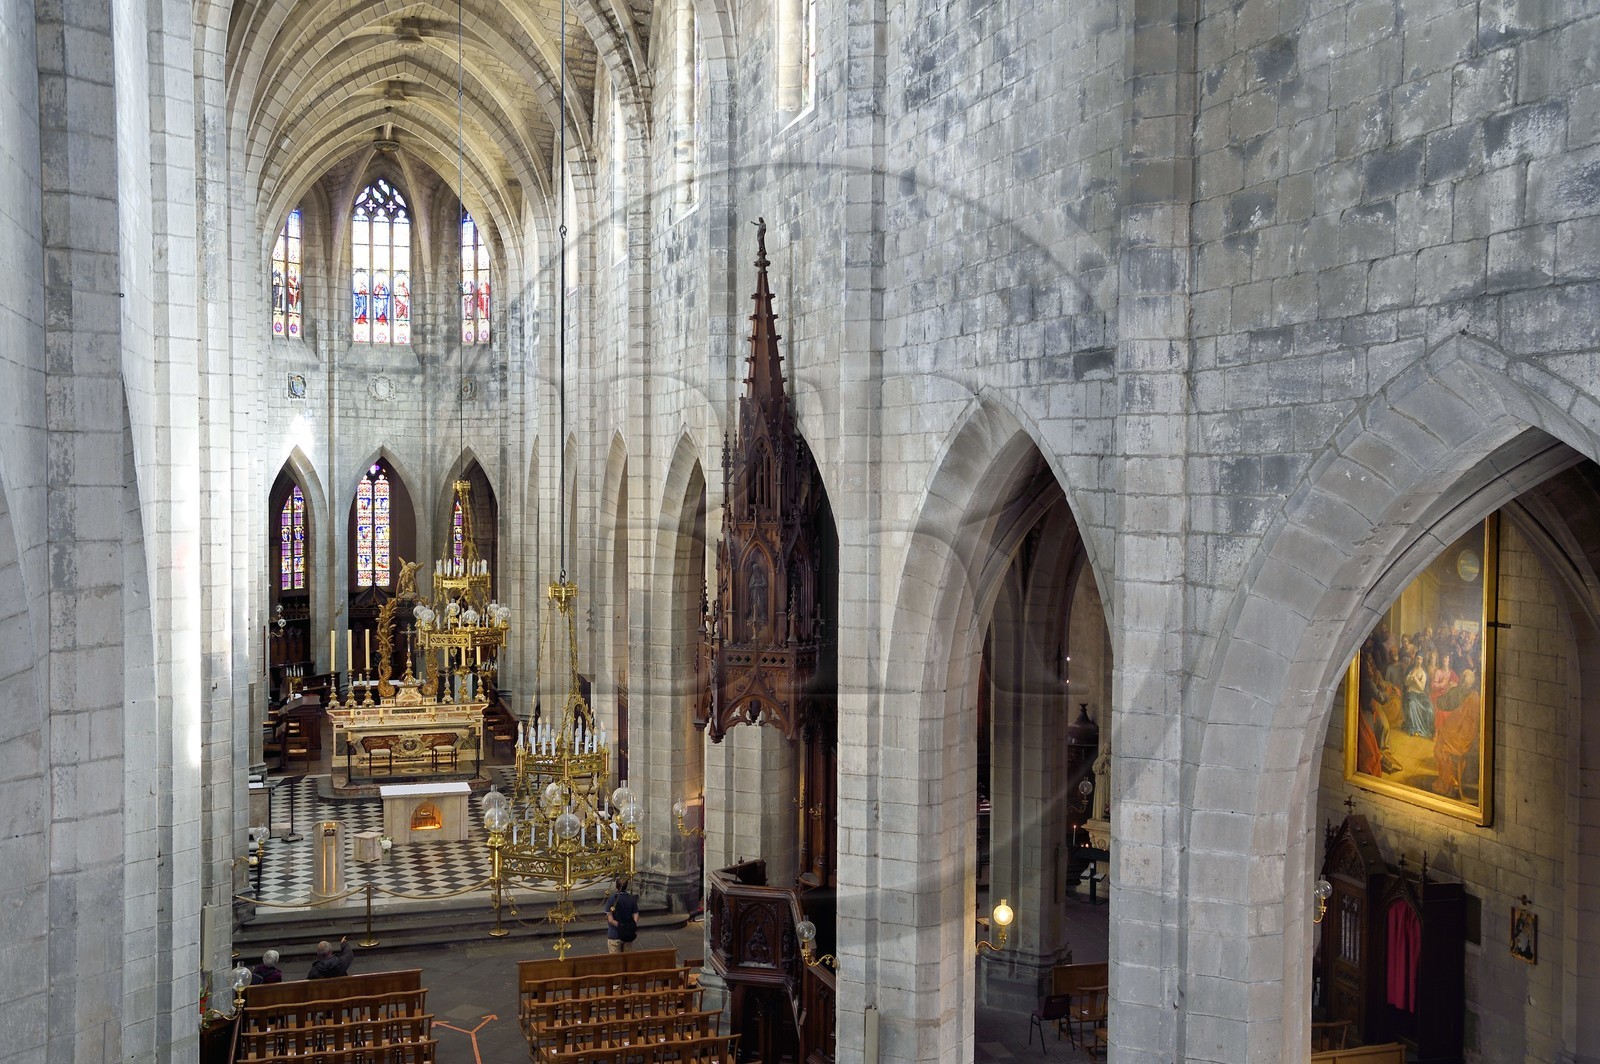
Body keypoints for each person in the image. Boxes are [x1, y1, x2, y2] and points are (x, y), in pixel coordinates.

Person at [604, 877, 639, 954]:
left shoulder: (611, 899)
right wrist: (631, 925)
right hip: (628, 934)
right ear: (626, 886)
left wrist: (621, 925)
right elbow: (636, 914)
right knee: (628, 960)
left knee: (615, 962)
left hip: (614, 934)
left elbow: (610, 919)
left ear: (616, 886)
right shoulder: (631, 898)